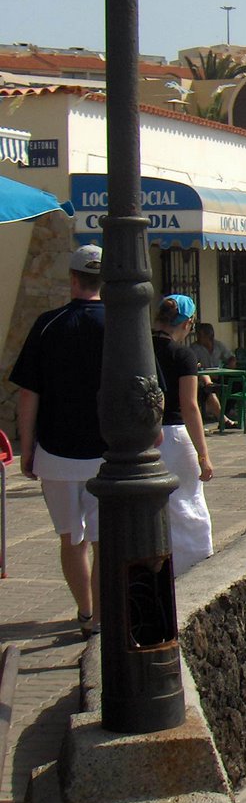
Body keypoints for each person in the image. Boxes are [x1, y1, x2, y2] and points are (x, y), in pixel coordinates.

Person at [8, 244, 106, 638]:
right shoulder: (120, 325)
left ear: (72, 278)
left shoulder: (48, 325)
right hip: (108, 453)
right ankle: (100, 618)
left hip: (56, 451)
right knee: (103, 541)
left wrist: (27, 447)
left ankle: (85, 610)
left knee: (71, 538)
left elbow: (27, 393)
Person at [150, 295, 214, 574]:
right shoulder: (183, 355)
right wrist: (203, 454)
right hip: (174, 434)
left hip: (144, 435)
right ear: (188, 323)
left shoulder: (138, 348)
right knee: (188, 502)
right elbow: (190, 406)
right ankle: (194, 566)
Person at [189, 322, 237, 430]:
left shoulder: (218, 345)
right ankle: (222, 416)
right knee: (208, 389)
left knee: (236, 382)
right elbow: (194, 366)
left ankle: (226, 410)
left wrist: (231, 363)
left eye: (200, 335)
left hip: (218, 375)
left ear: (209, 336)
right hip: (203, 377)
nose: (198, 337)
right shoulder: (194, 348)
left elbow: (231, 357)